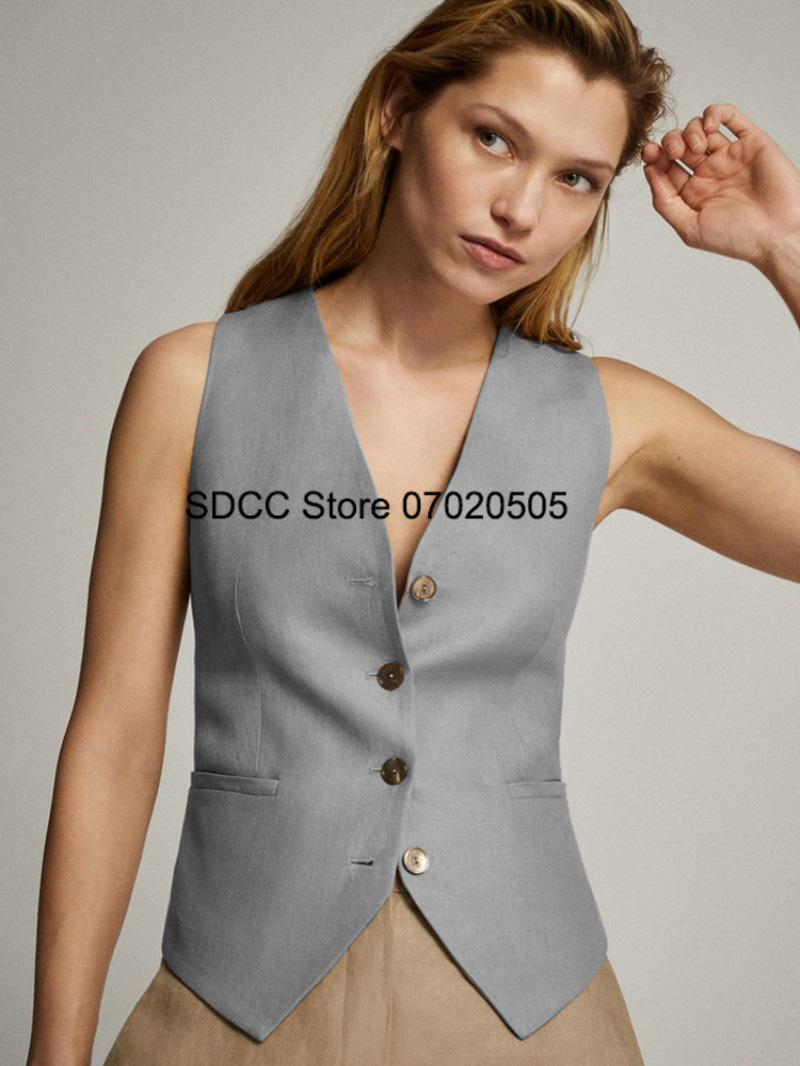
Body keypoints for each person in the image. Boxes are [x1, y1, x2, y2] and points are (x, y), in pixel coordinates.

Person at [26, 1, 800, 1064]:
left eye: (577, 179)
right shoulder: (193, 383)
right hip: (232, 1008)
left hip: (533, 1018)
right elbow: (115, 738)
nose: (520, 209)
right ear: (397, 110)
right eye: (493, 138)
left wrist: (784, 247)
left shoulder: (609, 416)